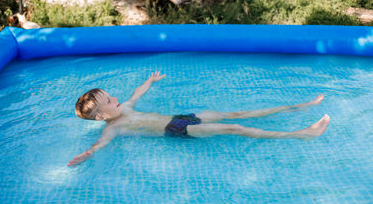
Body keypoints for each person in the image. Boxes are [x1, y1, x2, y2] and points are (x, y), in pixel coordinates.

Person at [69, 72, 330, 166]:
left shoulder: (124, 107)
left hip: (182, 117)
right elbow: (99, 146)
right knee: (234, 127)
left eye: (111, 95)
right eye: (109, 101)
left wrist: (149, 80)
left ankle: (299, 107)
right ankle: (302, 133)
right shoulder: (114, 127)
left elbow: (136, 94)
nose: (115, 98)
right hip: (177, 129)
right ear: (102, 115)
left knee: (235, 115)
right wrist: (86, 155)